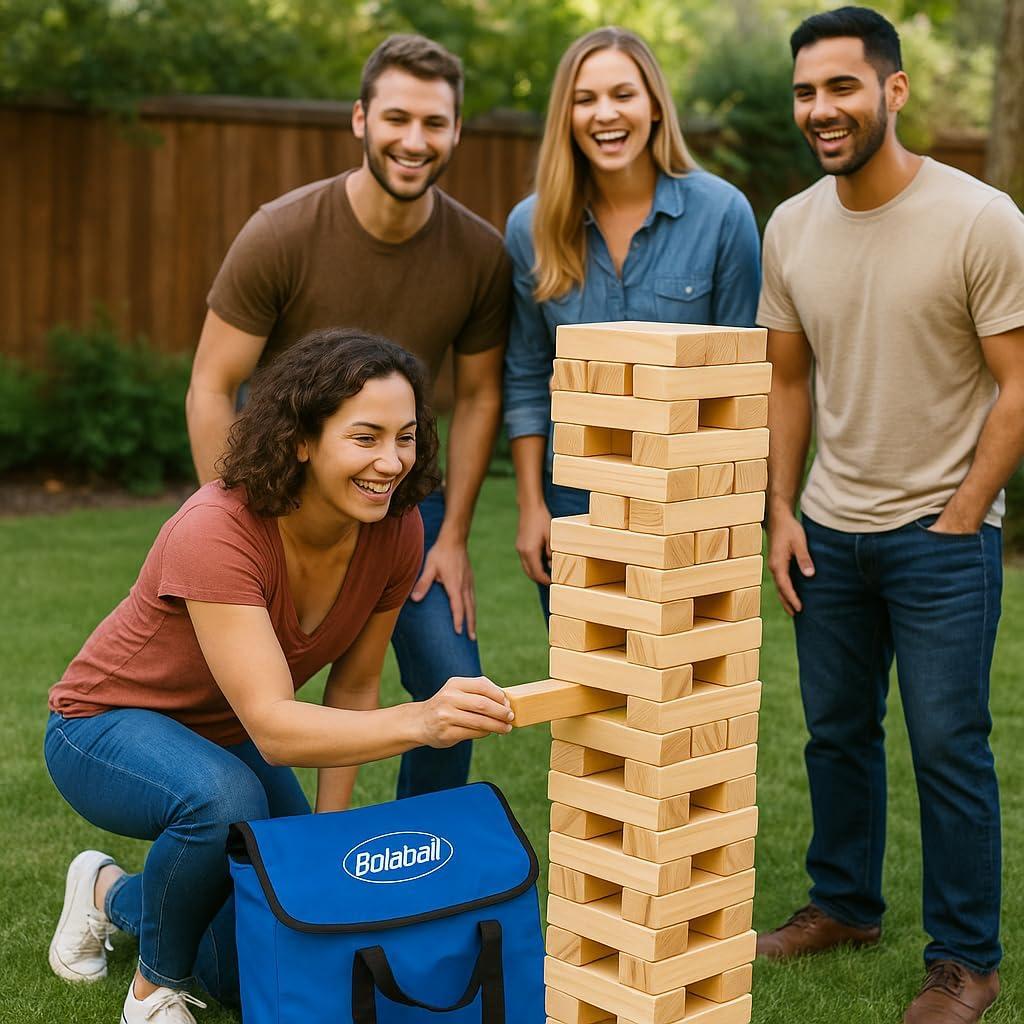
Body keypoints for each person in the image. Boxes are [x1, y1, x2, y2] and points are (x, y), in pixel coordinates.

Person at [45, 331, 515, 1024]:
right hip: (100, 728)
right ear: (301, 440)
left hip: (224, 733)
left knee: (269, 941)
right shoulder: (217, 530)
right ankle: (153, 993)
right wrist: (421, 720)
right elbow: (271, 722)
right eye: (366, 438)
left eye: (406, 437)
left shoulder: (396, 530)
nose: (391, 462)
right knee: (225, 801)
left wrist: (326, 843)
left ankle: (106, 892)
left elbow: (352, 690)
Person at [757, 7, 1024, 1022]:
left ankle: (965, 962)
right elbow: (786, 382)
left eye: (840, 87)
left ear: (893, 91)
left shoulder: (978, 219)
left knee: (948, 742)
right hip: (826, 527)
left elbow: (1016, 381)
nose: (819, 109)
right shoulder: (789, 225)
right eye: (804, 92)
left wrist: (962, 513)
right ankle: (842, 905)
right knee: (833, 731)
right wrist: (782, 508)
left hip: (940, 537)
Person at [186, 34, 510, 799]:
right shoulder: (282, 233)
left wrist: (454, 532)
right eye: (397, 117)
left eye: (435, 123)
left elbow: (482, 396)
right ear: (360, 119)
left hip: (404, 498)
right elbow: (212, 382)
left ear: (457, 131)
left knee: (454, 683)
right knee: (254, 701)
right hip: (284, 494)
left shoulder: (479, 253)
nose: (414, 140)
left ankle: (419, 861)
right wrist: (234, 515)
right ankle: (261, 842)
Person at [502, 26, 761, 614]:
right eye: (585, 98)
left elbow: (739, 384)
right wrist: (531, 506)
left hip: (688, 498)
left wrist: (721, 514)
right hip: (574, 497)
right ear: (565, 114)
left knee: (679, 696)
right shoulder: (530, 227)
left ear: (654, 106)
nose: (605, 114)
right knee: (590, 689)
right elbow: (524, 374)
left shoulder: (722, 215)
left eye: (623, 94)